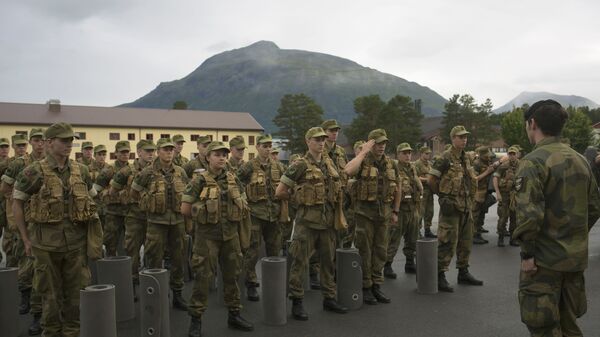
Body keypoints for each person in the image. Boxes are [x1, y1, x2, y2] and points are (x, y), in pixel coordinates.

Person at [513, 100, 600, 336]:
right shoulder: (581, 161)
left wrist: (528, 254)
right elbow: (594, 207)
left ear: (532, 123)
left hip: (543, 262)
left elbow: (529, 215)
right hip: (573, 259)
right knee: (569, 324)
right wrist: (573, 236)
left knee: (543, 327)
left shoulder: (533, 161)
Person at [12, 122, 100, 337]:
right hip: (45, 246)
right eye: (64, 140)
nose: (69, 144)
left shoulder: (83, 171)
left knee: (76, 295)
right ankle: (50, 332)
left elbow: (92, 201)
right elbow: (17, 203)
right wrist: (25, 239)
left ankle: (72, 332)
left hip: (75, 245)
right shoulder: (33, 172)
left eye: (71, 140)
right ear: (49, 142)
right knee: (49, 296)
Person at [182, 141, 254, 336]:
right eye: (217, 154)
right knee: (202, 279)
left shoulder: (233, 180)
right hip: (207, 238)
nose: (222, 157)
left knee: (232, 276)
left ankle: (234, 314)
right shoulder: (199, 180)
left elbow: (244, 204)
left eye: (224, 154)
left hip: (230, 236)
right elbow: (185, 209)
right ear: (208, 157)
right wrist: (203, 212)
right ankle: (196, 320)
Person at [276, 127, 348, 320]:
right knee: (299, 262)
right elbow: (280, 191)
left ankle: (329, 298)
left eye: (323, 139)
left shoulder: (328, 162)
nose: (321, 142)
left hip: (327, 223)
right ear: (308, 141)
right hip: (306, 223)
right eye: (316, 139)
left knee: (328, 263)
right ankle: (297, 301)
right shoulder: (299, 164)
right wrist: (299, 199)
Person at [131, 138, 189, 310]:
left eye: (171, 149)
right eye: (165, 149)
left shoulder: (180, 172)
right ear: (158, 151)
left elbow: (187, 193)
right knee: (154, 257)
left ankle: (177, 294)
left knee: (178, 258)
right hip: (156, 222)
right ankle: (155, 294)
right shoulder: (147, 172)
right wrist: (147, 202)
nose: (169, 152)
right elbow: (134, 192)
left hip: (177, 222)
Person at [344, 129, 399, 304]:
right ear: (370, 144)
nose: (382, 146)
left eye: (384, 143)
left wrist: (396, 211)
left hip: (384, 214)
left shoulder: (391, 164)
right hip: (364, 214)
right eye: (377, 143)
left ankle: (377, 285)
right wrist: (363, 152)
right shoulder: (362, 161)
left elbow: (397, 188)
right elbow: (348, 171)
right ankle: (366, 286)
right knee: (365, 251)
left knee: (381, 251)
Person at [0, 128, 45, 334]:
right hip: (24, 221)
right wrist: (17, 202)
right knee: (26, 265)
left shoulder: (48, 164)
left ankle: (39, 312)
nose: (40, 144)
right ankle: (25, 298)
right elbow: (5, 188)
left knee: (42, 269)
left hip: (45, 222)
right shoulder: (19, 163)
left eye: (42, 140)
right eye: (36, 140)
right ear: (30, 142)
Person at [428, 125, 483, 292]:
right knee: (447, 241)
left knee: (466, 242)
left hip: (466, 206)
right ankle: (439, 275)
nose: (464, 139)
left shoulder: (466, 158)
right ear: (453, 139)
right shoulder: (444, 157)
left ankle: (463, 272)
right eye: (460, 137)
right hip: (451, 208)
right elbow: (431, 179)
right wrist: (442, 196)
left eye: (465, 136)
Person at [237, 134, 286, 301]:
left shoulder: (278, 167)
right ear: (257, 147)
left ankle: (274, 282)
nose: (267, 149)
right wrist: (244, 198)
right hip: (256, 214)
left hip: (274, 214)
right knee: (253, 249)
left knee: (275, 249)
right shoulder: (249, 166)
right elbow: (236, 182)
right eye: (264, 146)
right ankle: (250, 283)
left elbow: (286, 184)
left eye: (269, 146)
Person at [110, 140, 156, 293]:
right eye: (147, 151)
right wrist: (125, 197)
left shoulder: (157, 170)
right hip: (134, 217)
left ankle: (151, 284)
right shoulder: (127, 171)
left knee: (153, 251)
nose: (151, 154)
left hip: (153, 218)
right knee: (132, 252)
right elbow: (112, 191)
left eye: (153, 151)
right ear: (139, 152)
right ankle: (131, 286)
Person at [385, 143, 422, 278]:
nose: (408, 155)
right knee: (393, 239)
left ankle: (410, 263)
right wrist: (394, 210)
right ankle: (387, 265)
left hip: (413, 208)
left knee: (413, 238)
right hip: (400, 210)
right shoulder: (393, 168)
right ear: (398, 154)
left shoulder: (412, 167)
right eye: (404, 153)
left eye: (409, 153)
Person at [94, 140, 131, 256]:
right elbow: (96, 191)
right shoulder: (108, 171)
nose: (125, 155)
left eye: (127, 152)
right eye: (122, 152)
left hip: (130, 212)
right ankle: (110, 267)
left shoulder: (133, 170)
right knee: (110, 243)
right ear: (116, 153)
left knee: (131, 244)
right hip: (113, 213)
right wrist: (110, 194)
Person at [471, 146, 498, 245]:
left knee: (482, 212)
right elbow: (475, 179)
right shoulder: (476, 164)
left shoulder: (488, 162)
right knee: (475, 214)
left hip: (486, 191)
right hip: (478, 192)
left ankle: (478, 231)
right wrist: (488, 172)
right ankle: (474, 235)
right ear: (481, 155)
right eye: (487, 156)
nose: (489, 157)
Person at [493, 146, 520, 247]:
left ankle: (513, 239)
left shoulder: (521, 165)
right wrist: (497, 193)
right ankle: (501, 238)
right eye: (510, 154)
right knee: (503, 217)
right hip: (504, 194)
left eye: (514, 154)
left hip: (515, 195)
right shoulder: (503, 166)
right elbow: (495, 178)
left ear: (517, 154)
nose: (512, 156)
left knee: (514, 218)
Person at [341, 140, 364, 249]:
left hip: (364, 209)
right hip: (350, 208)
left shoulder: (368, 167)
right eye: (360, 151)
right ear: (355, 152)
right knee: (347, 237)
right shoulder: (350, 166)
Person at [414, 146, 436, 238]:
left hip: (429, 191)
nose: (428, 155)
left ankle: (427, 230)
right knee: (420, 211)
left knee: (430, 211)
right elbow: (415, 177)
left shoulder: (430, 164)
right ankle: (417, 231)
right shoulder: (417, 164)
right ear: (421, 154)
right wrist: (427, 179)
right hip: (421, 191)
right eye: (426, 154)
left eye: (429, 154)